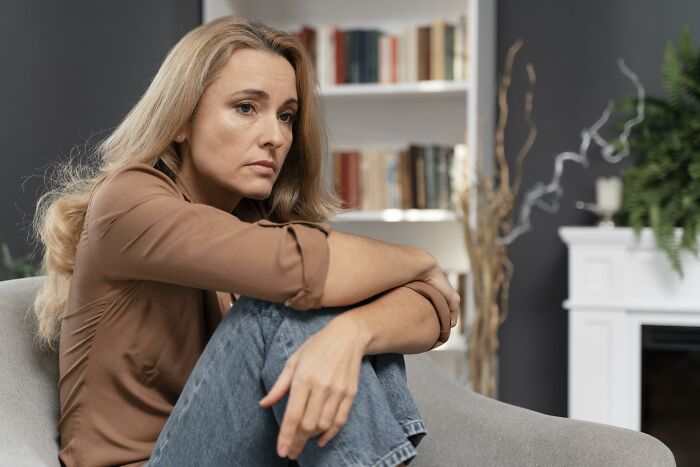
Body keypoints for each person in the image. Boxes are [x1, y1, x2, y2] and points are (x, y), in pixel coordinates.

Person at [31, 15, 460, 467]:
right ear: (181, 119)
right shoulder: (128, 200)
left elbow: (433, 310)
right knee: (281, 307)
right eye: (246, 108)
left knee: (318, 309)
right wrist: (419, 257)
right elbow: (302, 271)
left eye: (287, 116)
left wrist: (353, 333)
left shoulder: (257, 224)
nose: (275, 137)